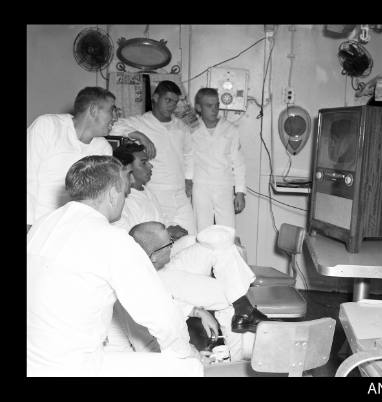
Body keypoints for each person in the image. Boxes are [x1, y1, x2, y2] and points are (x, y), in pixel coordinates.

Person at [27, 155, 203, 377]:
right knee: (189, 365)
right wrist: (185, 352)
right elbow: (162, 315)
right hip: (73, 367)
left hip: (35, 363)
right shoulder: (111, 239)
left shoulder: (41, 226)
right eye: (124, 191)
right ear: (112, 194)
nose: (125, 196)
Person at [108, 223, 269, 361]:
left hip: (166, 272)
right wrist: (196, 358)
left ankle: (243, 307)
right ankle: (235, 360)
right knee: (227, 296)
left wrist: (197, 311)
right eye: (168, 244)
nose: (172, 245)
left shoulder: (147, 263)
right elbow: (154, 345)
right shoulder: (134, 291)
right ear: (154, 256)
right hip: (164, 281)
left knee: (218, 242)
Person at [109, 80, 196, 234]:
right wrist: (140, 135)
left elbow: (189, 153)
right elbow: (113, 126)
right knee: (162, 240)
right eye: (168, 100)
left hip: (180, 192)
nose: (172, 106)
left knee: (190, 237)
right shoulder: (141, 122)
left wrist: (189, 178)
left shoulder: (182, 127)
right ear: (155, 98)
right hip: (157, 191)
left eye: (175, 102)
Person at [191, 88, 246, 232]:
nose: (214, 110)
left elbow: (239, 163)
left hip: (224, 185)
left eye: (216, 105)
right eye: (209, 106)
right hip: (200, 186)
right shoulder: (191, 129)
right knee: (202, 231)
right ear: (198, 107)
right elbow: (187, 160)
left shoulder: (230, 130)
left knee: (227, 230)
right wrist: (187, 182)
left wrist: (240, 192)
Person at [112, 142, 187, 243]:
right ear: (127, 168)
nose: (150, 166)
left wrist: (172, 228)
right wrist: (167, 233)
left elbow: (160, 219)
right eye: (143, 163)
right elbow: (131, 237)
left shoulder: (146, 190)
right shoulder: (125, 199)